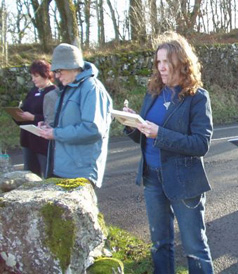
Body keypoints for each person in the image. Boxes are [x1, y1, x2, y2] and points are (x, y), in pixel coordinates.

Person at [123, 32, 214, 274]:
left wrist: (159, 134)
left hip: (184, 181)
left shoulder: (197, 98)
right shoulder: (153, 92)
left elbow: (201, 144)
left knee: (195, 247)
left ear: (182, 63)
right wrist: (133, 125)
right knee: (160, 244)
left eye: (166, 62)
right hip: (152, 178)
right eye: (158, 62)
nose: (161, 68)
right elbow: (145, 135)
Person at [39, 43, 113, 187]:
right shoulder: (69, 87)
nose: (57, 76)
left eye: (60, 71)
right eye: (56, 71)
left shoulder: (91, 88)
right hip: (63, 167)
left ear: (73, 67)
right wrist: (49, 127)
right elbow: (67, 122)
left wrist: (55, 133)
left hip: (80, 171)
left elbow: (92, 129)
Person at [16, 60, 56, 177]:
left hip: (42, 141)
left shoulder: (53, 92)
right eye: (32, 76)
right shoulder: (33, 91)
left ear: (45, 74)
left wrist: (34, 117)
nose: (33, 79)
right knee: (29, 175)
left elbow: (53, 117)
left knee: (47, 174)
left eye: (36, 76)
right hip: (28, 139)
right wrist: (18, 114)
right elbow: (26, 108)